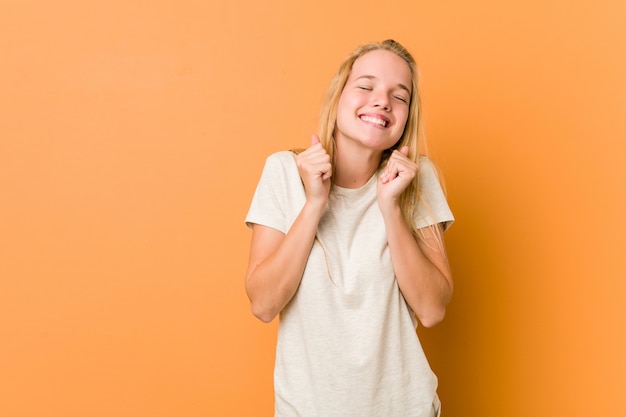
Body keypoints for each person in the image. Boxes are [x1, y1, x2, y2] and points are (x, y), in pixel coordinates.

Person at [244, 39, 454, 417]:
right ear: (338, 96)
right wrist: (314, 204)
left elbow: (432, 309)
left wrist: (390, 206)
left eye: (399, 96)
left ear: (407, 115)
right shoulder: (283, 172)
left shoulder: (419, 179)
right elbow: (263, 303)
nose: (382, 101)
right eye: (366, 85)